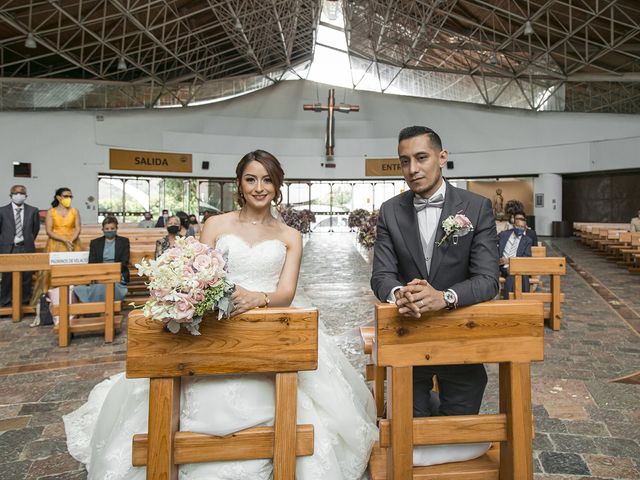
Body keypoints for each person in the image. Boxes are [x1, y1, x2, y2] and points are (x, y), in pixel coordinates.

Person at [63, 150, 378, 479]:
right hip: (217, 325)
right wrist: (203, 294)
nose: (259, 187)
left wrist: (260, 298)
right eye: (251, 179)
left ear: (277, 185)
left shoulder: (290, 237)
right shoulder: (215, 224)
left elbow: (285, 293)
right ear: (239, 184)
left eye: (267, 180)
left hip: (268, 325)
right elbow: (196, 274)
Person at [371, 126, 499, 464]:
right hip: (407, 347)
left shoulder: (476, 207)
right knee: (409, 431)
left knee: (456, 437)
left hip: (461, 347)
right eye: (404, 161)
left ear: (442, 158)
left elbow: (488, 280)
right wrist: (399, 294)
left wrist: (446, 297)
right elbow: (381, 275)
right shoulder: (390, 211)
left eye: (421, 158)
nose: (412, 168)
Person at [30, 188, 82, 303]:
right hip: (56, 243)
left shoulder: (75, 211)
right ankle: (53, 299)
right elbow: (49, 231)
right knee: (53, 271)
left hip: (73, 243)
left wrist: (71, 240)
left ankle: (73, 298)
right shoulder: (51, 211)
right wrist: (64, 240)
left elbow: (78, 227)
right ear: (58, 197)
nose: (68, 198)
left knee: (73, 271)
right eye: (65, 196)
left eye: (70, 196)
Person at [0, 185, 40, 308]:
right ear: (11, 195)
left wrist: (26, 239)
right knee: (7, 277)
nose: (19, 195)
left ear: (26, 196)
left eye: (22, 193)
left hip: (26, 246)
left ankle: (24, 301)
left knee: (26, 276)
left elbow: (35, 229)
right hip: (8, 248)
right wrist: (11, 239)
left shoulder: (33, 210)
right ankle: (6, 302)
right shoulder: (2, 211)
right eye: (16, 193)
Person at [74, 216, 129, 302]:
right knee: (100, 286)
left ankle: (107, 306)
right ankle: (101, 306)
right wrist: (102, 273)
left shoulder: (124, 241)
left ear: (116, 228)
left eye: (112, 228)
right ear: (102, 229)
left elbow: (124, 261)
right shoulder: (95, 243)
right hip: (99, 274)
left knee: (110, 285)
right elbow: (92, 262)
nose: (109, 230)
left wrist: (112, 272)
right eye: (107, 228)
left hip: (117, 274)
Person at [498, 215, 533, 299]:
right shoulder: (504, 235)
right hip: (503, 266)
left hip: (517, 266)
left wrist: (509, 261)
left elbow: (526, 257)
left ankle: (511, 301)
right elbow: (492, 244)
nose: (520, 228)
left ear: (525, 228)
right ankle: (519, 301)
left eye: (522, 227)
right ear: (514, 225)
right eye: (518, 226)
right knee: (515, 273)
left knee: (515, 273)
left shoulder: (527, 240)